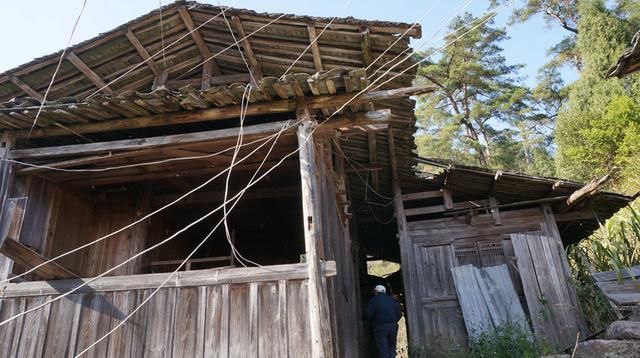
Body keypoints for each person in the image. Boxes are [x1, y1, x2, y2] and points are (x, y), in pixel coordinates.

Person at [365, 284, 401, 358]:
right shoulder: (393, 301)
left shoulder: (375, 299)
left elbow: (368, 313)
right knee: (392, 347)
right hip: (393, 326)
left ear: (376, 292)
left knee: (383, 348)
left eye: (374, 292)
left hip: (381, 326)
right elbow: (399, 314)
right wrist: (393, 322)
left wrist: (372, 322)